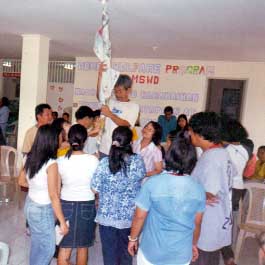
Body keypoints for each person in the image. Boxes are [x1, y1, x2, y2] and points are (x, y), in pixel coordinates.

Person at [128, 131, 205, 265]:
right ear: (192, 161)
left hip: (151, 252)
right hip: (181, 254)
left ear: (169, 156)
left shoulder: (152, 183)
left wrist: (133, 239)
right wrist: (193, 245)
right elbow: (197, 223)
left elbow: (139, 217)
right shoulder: (198, 189)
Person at [91, 126, 146, 265]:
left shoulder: (104, 162)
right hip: (129, 218)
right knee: (126, 255)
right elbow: (141, 178)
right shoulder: (138, 161)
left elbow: (94, 188)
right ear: (131, 143)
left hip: (107, 217)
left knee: (109, 256)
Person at [189, 112, 236, 265]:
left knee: (201, 259)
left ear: (201, 135)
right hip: (218, 219)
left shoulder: (211, 159)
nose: (189, 134)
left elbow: (208, 193)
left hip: (206, 224)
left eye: (191, 130)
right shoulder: (221, 153)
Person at [18, 125, 69, 265]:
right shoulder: (51, 164)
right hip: (42, 210)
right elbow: (53, 196)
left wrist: (37, 186)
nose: (61, 140)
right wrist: (63, 223)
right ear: (52, 140)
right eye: (60, 137)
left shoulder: (29, 157)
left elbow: (21, 181)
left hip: (30, 205)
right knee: (48, 248)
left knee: (36, 243)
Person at [57, 124, 99, 265]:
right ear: (85, 140)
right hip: (87, 204)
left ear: (68, 140)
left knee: (64, 246)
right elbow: (96, 188)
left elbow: (57, 188)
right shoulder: (93, 160)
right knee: (83, 246)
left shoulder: (61, 160)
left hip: (65, 204)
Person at [220, 117, 249, 265]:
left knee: (221, 221)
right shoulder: (244, 150)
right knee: (227, 221)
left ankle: (228, 255)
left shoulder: (226, 151)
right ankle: (227, 254)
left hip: (228, 189)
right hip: (239, 189)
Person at [97, 63, 139, 157]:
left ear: (128, 90)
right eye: (115, 91)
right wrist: (100, 77)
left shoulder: (133, 106)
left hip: (119, 150)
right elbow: (99, 96)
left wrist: (110, 114)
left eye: (120, 91)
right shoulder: (111, 101)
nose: (117, 94)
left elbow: (126, 124)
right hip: (104, 148)